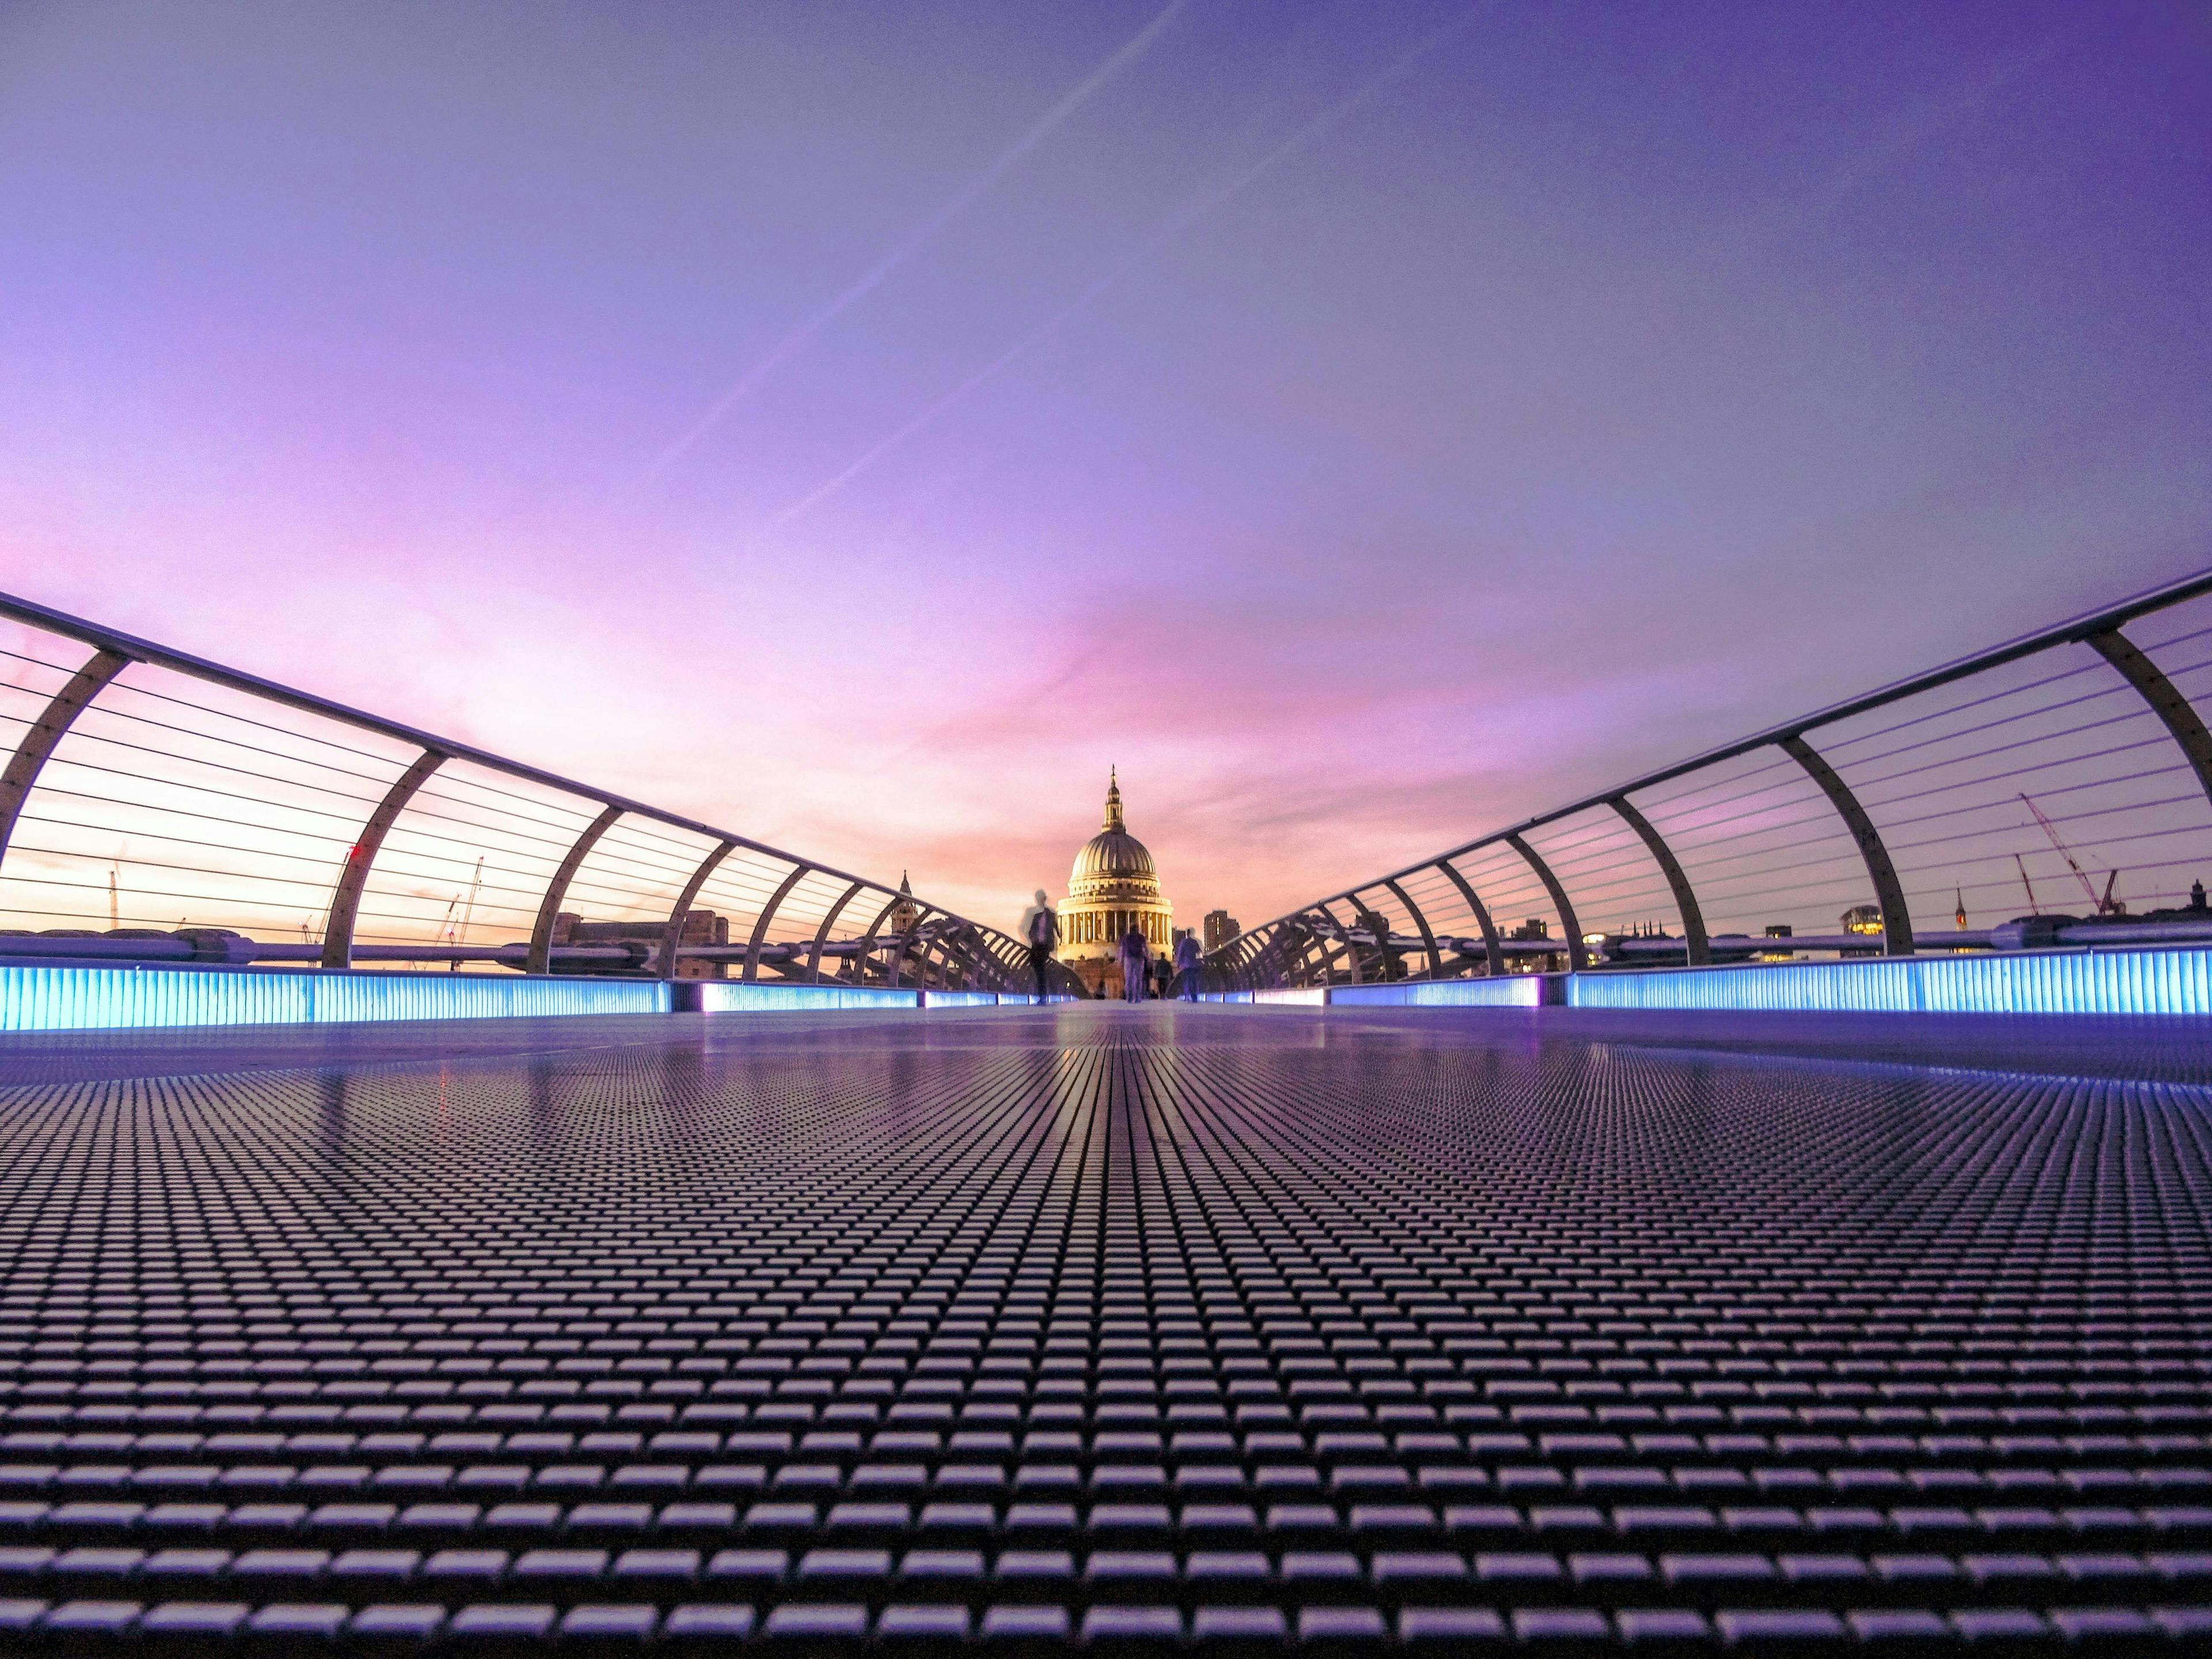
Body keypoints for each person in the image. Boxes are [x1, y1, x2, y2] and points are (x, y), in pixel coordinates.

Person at [1017, 890, 1058, 1002]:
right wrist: (1028, 938)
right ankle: (1043, 992)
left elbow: (1056, 930)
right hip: (1037, 945)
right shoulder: (1034, 913)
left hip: (1044, 946)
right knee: (1038, 968)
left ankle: (1042, 993)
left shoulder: (1050, 914)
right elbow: (1024, 928)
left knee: (1039, 968)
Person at [1119, 923, 1149, 1003]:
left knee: (1129, 979)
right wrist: (1148, 957)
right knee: (1138, 979)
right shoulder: (1141, 937)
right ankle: (1137, 997)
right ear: (1137, 929)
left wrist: (1120, 960)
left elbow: (1122, 949)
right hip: (1139, 958)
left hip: (1128, 959)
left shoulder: (1126, 938)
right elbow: (1144, 948)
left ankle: (1129, 997)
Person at [1173, 931, 1201, 1000]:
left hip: (1186, 965)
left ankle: (1187, 995)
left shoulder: (1184, 942)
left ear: (1187, 934)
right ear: (1192, 934)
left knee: (1186, 980)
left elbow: (1180, 953)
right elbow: (1199, 952)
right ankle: (1194, 996)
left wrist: (1179, 964)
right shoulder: (1194, 942)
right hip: (1194, 964)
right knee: (1193, 981)